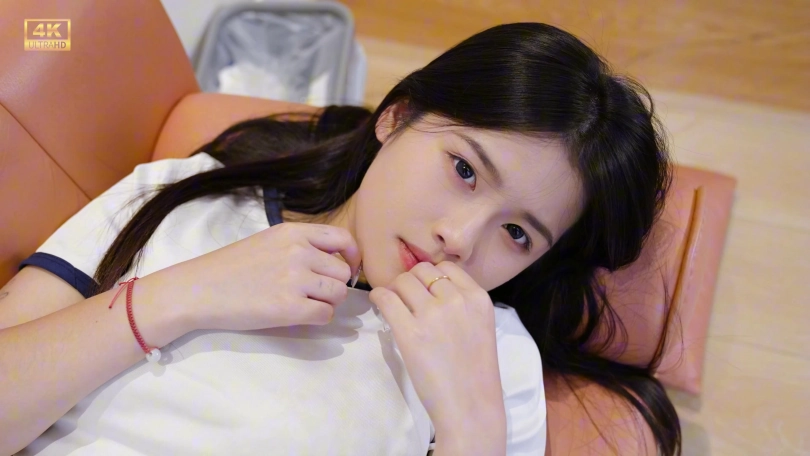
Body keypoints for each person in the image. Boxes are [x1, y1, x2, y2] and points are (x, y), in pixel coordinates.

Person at [0, 22, 680, 455]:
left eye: (517, 233)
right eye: (465, 169)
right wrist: (176, 297)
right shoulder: (183, 194)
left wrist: (472, 429)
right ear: (398, 117)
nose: (459, 238)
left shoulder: (492, 358)